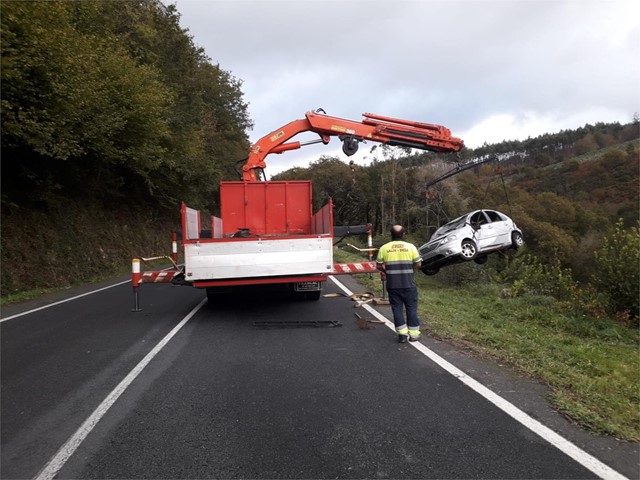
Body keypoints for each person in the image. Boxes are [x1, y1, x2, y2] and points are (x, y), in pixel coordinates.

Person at [376, 225, 423, 343]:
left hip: (392, 285)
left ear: (391, 235)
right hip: (408, 284)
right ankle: (414, 335)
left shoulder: (384, 248)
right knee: (411, 308)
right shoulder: (411, 247)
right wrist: (410, 267)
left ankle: (402, 335)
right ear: (403, 234)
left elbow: (378, 265)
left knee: (397, 309)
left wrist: (387, 271)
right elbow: (418, 265)